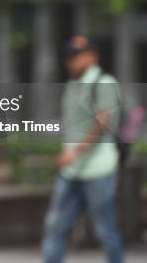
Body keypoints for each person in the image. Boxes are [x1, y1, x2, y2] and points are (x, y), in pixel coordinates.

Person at [41, 35, 123, 263]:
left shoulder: (104, 83)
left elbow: (103, 122)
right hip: (71, 171)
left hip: (98, 170)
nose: (72, 60)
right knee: (55, 226)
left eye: (77, 55)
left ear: (92, 56)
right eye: (69, 56)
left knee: (106, 230)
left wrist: (75, 151)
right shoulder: (71, 85)